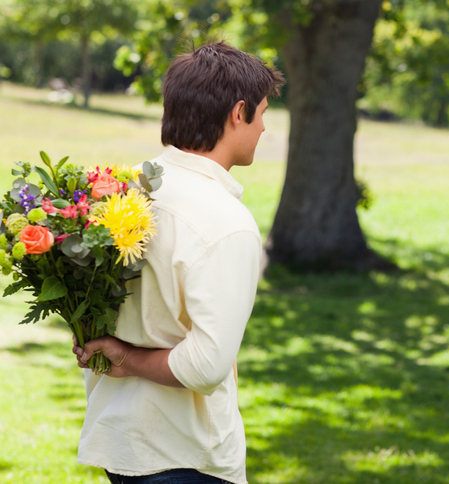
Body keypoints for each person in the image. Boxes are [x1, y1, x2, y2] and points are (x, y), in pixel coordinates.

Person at [72, 41, 284, 484]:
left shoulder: (118, 192)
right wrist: (126, 359)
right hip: (187, 455)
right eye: (262, 113)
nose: (264, 128)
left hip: (121, 444)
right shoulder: (226, 223)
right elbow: (207, 366)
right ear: (237, 112)